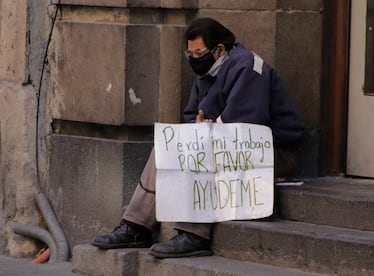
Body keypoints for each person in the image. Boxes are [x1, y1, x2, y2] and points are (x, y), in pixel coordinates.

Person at [92, 17, 304, 258]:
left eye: (199, 52)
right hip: (228, 142)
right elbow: (192, 116)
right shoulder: (208, 71)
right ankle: (137, 225)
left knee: (203, 149)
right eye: (190, 54)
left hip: (275, 151)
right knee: (166, 149)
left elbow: (247, 125)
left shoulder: (247, 67)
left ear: (219, 50)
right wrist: (199, 129)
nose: (194, 59)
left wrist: (207, 130)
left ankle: (194, 234)